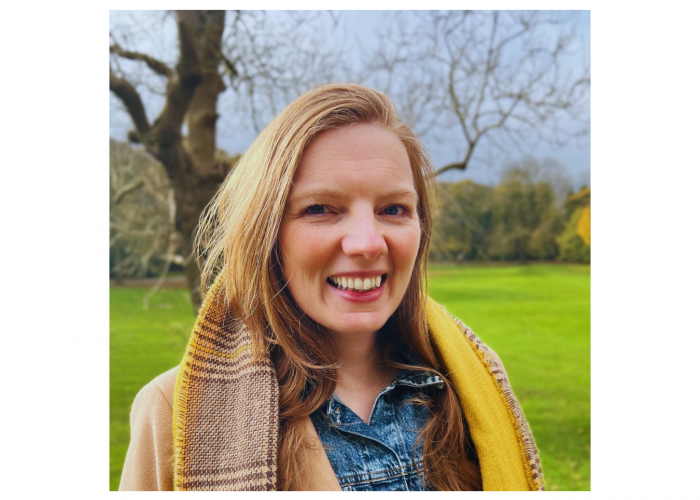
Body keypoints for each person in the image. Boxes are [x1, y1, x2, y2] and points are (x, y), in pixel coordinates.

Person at [119, 83, 544, 491]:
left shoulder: (473, 384)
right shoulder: (177, 410)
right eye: (320, 209)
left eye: (393, 209)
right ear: (266, 233)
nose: (366, 243)